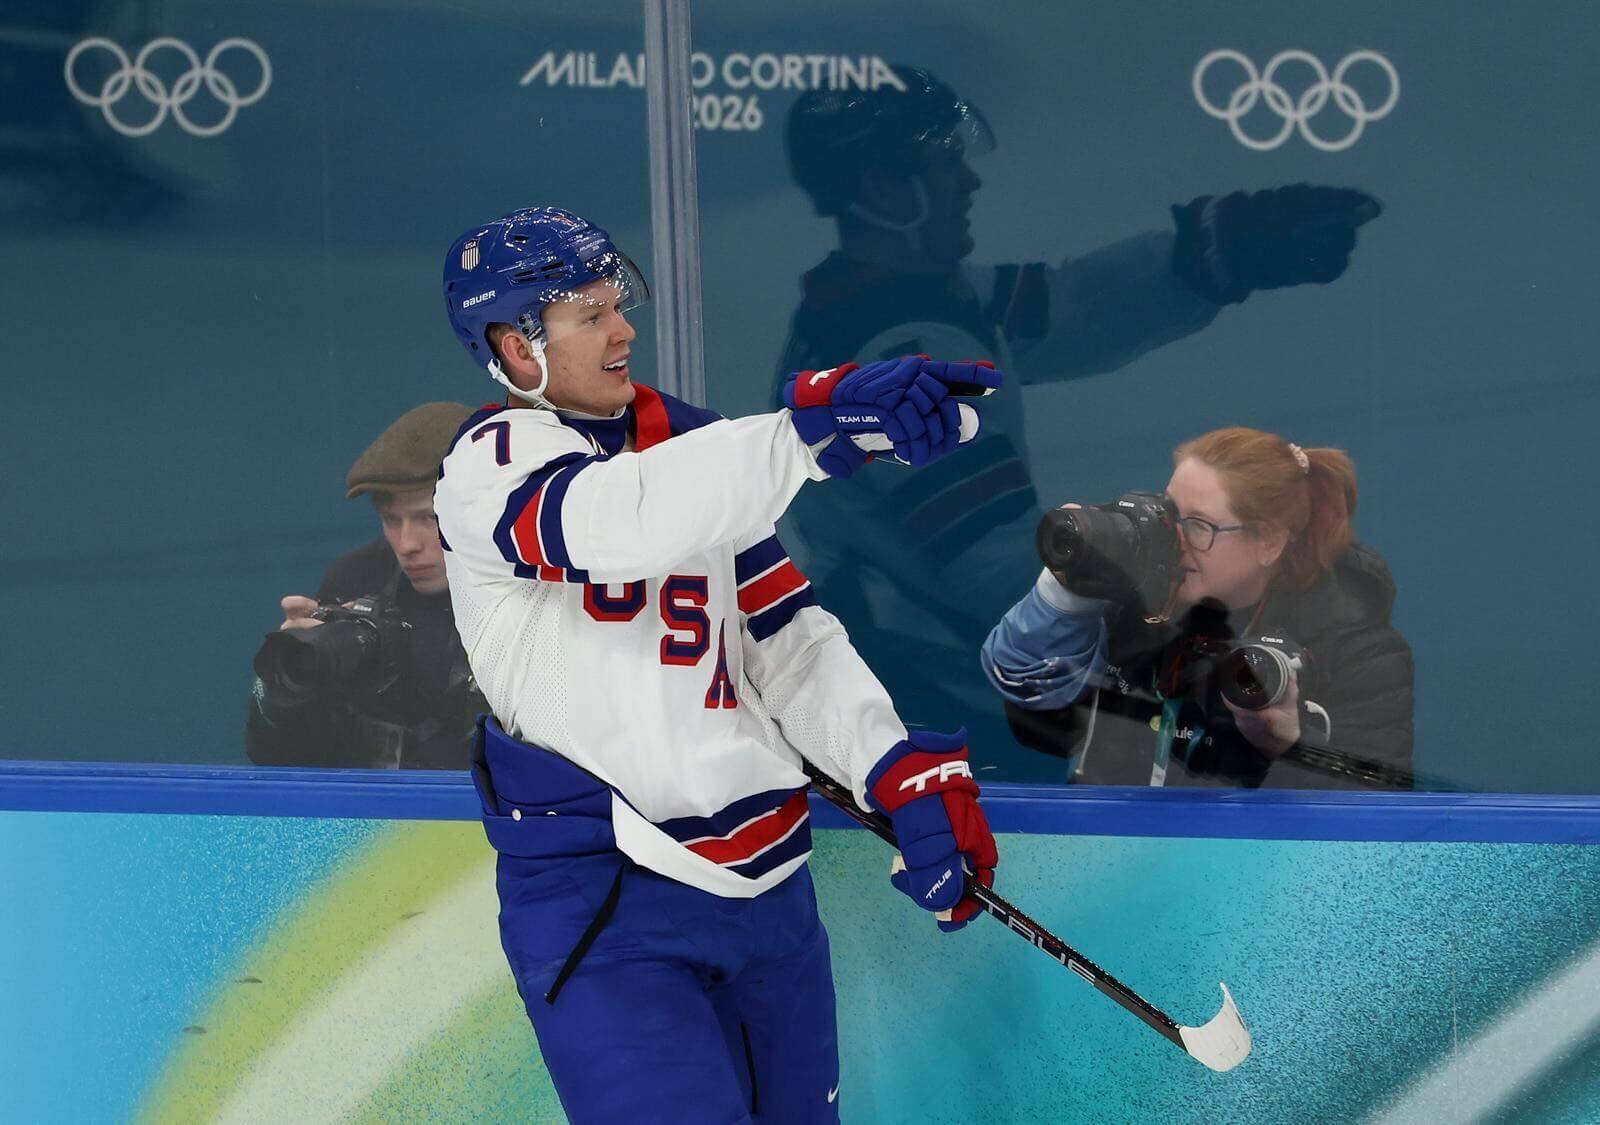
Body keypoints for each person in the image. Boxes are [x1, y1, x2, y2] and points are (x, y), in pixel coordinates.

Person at [435, 206, 1003, 1123]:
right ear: (513, 343)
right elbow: (617, 519)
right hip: (604, 903)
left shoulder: (697, 446)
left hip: (771, 891)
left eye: (617, 303)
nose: (623, 329)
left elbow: (783, 640)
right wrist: (807, 437)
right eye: (589, 314)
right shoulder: (488, 467)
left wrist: (888, 768)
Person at [776, 66, 1384, 781]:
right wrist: (1166, 628)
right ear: (885, 192)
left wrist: (1215, 252)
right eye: (946, 166)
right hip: (951, 715)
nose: (969, 183)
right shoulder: (900, 360)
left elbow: (1072, 305)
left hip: (950, 694)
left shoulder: (905, 303)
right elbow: (998, 572)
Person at [982, 426, 1414, 789]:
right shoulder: (1131, 616)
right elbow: (1037, 730)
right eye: (1170, 514)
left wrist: (1289, 745)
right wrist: (1067, 595)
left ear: (1269, 542)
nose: (1174, 540)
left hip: (1247, 881)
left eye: (1199, 525)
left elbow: (1372, 818)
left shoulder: (1357, 652)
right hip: (1107, 865)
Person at [246, 401, 487, 769]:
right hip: (378, 817)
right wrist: (291, 686)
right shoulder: (358, 578)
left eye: (429, 518)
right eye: (392, 520)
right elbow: (273, 758)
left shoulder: (536, 586)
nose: (407, 544)